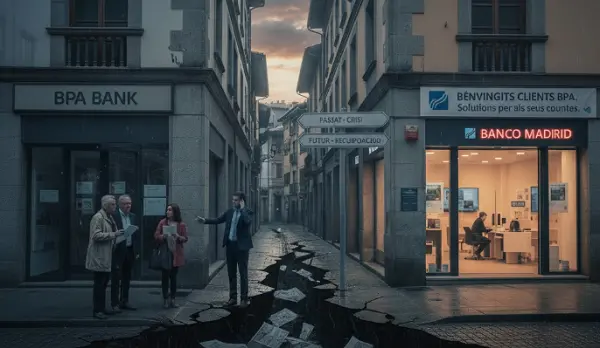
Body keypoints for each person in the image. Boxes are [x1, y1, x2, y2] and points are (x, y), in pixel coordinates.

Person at [197, 192, 254, 308]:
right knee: (231, 273)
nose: (233, 202)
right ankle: (233, 297)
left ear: (242, 201)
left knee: (243, 273)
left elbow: (247, 222)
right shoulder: (230, 212)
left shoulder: (247, 212)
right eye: (233, 200)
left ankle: (244, 298)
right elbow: (218, 220)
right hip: (230, 246)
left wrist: (242, 209)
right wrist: (205, 220)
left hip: (242, 248)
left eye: (236, 200)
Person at [86, 195, 124, 319]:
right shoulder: (98, 218)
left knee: (103, 284)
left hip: (107, 255)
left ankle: (102, 309)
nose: (115, 206)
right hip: (99, 256)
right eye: (112, 204)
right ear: (105, 205)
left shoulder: (110, 217)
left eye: (115, 204)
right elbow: (95, 235)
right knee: (99, 284)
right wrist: (114, 234)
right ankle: (97, 310)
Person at [154, 203, 188, 309]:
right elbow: (156, 235)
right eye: (167, 210)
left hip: (176, 253)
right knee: (165, 277)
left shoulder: (181, 224)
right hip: (165, 252)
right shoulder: (162, 222)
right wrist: (163, 236)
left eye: (170, 210)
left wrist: (178, 237)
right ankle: (165, 299)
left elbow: (185, 238)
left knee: (173, 277)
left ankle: (173, 299)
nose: (167, 212)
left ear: (175, 212)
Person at [110, 194, 138, 312]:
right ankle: (114, 303)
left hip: (129, 250)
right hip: (117, 250)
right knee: (116, 277)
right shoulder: (114, 216)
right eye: (125, 204)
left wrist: (136, 251)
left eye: (129, 204)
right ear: (120, 205)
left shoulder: (133, 216)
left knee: (127, 277)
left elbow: (136, 235)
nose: (128, 206)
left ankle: (124, 301)